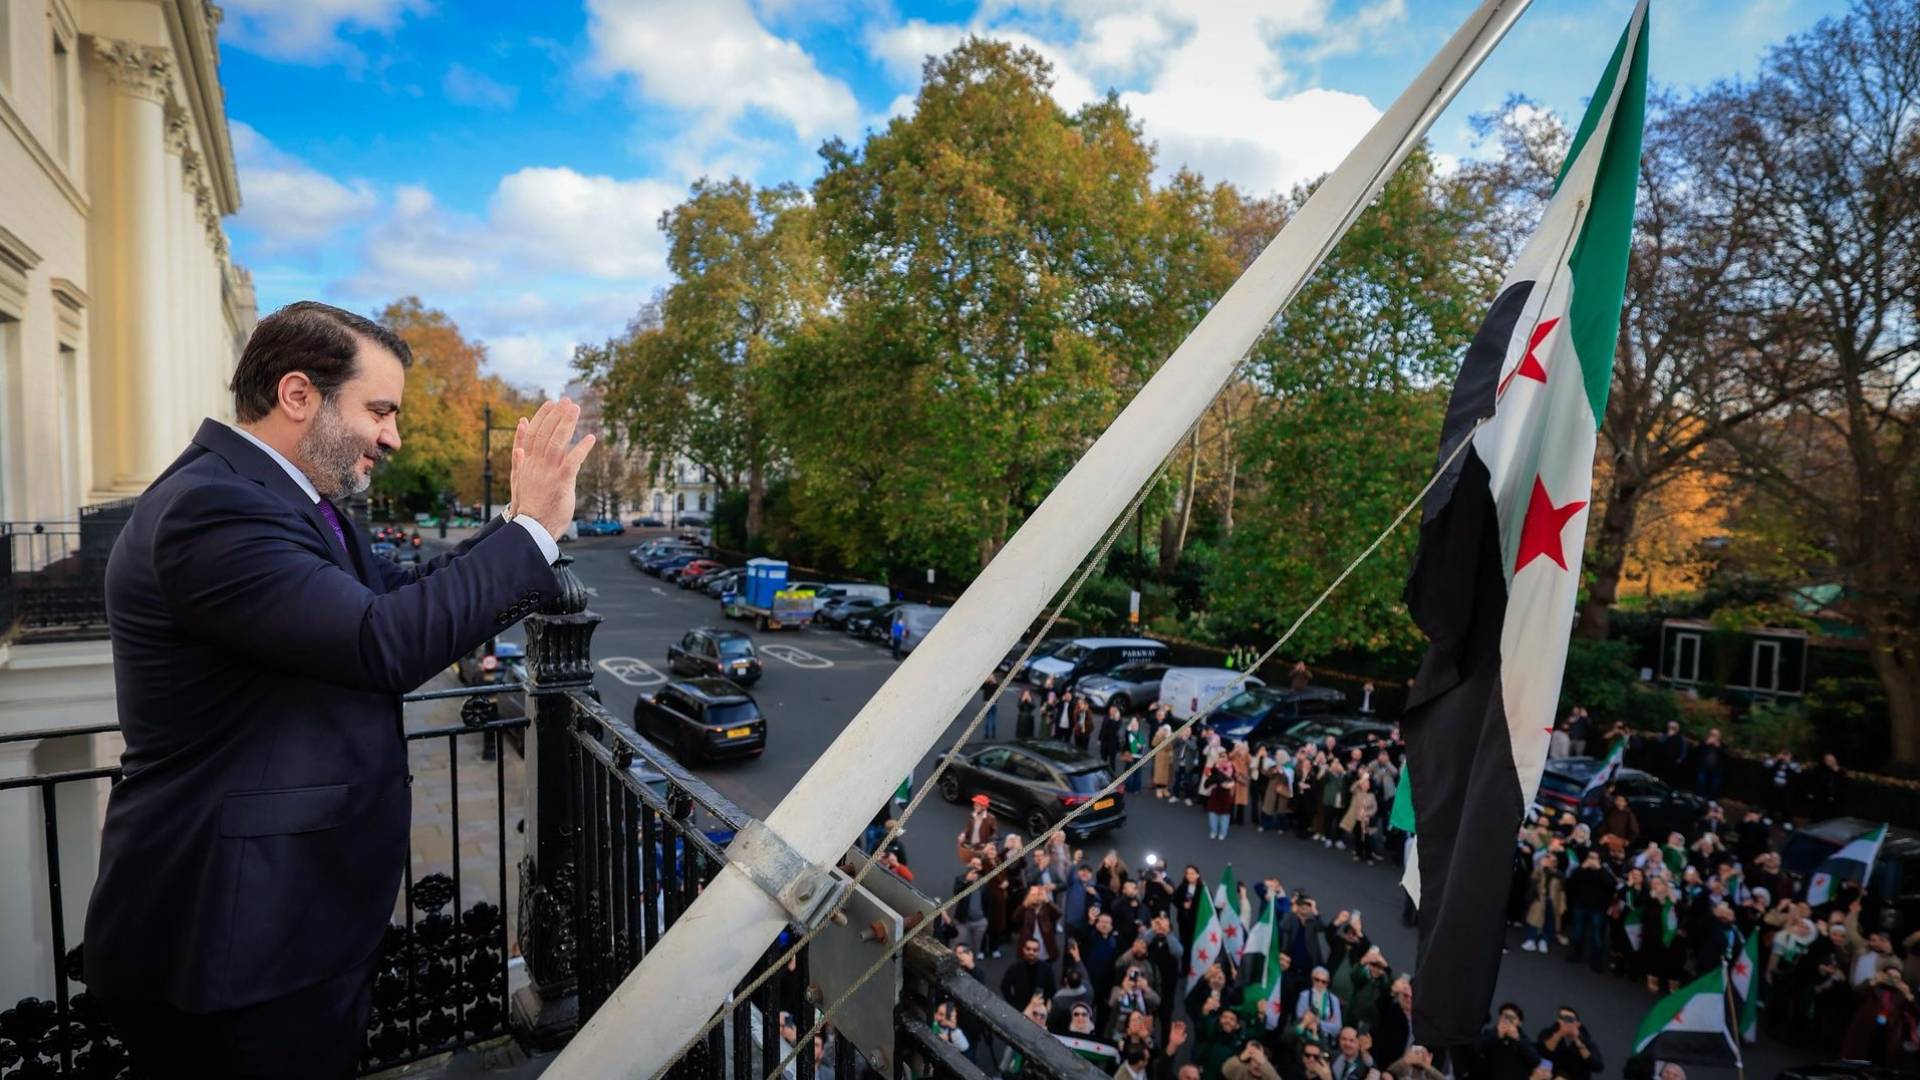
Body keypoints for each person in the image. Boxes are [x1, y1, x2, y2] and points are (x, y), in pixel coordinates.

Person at [84, 303, 586, 1077]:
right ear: (297, 395)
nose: (393, 437)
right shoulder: (211, 507)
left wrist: (518, 524)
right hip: (232, 943)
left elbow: (396, 593)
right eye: (379, 410)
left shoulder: (291, 498)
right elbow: (380, 641)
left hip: (284, 927)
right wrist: (535, 535)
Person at [1536, 1006, 1603, 1080]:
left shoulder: (1586, 1041)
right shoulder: (1548, 1033)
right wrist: (1559, 1033)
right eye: (1562, 1018)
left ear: (1577, 1024)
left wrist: (1577, 1040)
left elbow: (1597, 1066)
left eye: (1569, 1019)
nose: (1565, 1022)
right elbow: (1542, 1051)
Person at [1203, 756, 1237, 841]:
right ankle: (1213, 831)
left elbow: (1233, 781)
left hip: (1226, 795)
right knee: (1212, 814)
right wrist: (1215, 770)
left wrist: (1227, 784)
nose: (1222, 759)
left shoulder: (1231, 768)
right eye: (1221, 757)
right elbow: (1207, 781)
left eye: (1224, 757)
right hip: (1215, 794)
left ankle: (1223, 833)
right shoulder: (1215, 768)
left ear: (1228, 758)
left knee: (1224, 815)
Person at [1693, 728, 1725, 800]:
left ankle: (1711, 799)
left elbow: (1726, 757)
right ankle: (1699, 796)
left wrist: (1718, 747)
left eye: (1715, 735)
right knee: (1701, 782)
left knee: (1714, 786)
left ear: (1719, 736)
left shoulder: (1722, 745)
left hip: (1716, 770)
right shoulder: (1704, 743)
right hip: (1703, 767)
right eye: (1712, 734)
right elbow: (1696, 751)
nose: (1713, 736)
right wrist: (1705, 744)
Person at [1152, 720, 1176, 799]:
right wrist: (1158, 734)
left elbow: (1174, 745)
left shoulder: (1172, 736)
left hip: (1168, 757)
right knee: (1160, 774)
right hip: (1160, 756)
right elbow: (1154, 743)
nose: (1166, 731)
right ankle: (1158, 789)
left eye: (1168, 730)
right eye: (1165, 730)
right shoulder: (1159, 735)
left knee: (1167, 774)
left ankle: (1164, 788)